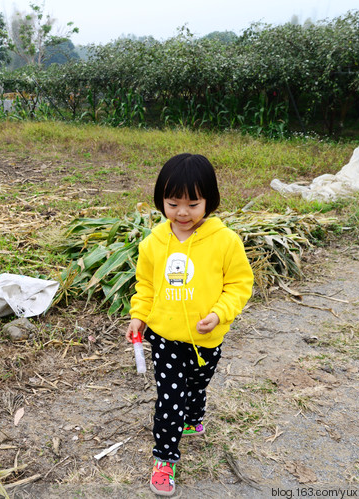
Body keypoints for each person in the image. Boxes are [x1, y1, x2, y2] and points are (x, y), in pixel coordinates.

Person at [126, 153, 254, 496]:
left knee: (197, 385)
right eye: (173, 203)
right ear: (160, 201)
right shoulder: (154, 242)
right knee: (169, 399)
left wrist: (220, 313)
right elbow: (146, 285)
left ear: (208, 201)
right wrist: (139, 315)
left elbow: (239, 285)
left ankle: (193, 415)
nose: (182, 212)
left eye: (193, 204)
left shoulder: (225, 241)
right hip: (165, 337)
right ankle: (164, 459)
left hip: (206, 337)